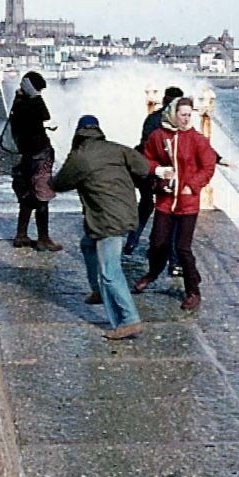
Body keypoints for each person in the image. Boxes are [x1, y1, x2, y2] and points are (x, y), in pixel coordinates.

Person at [52, 114, 171, 340]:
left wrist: (45, 181)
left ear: (78, 133)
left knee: (110, 271)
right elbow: (144, 167)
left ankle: (129, 320)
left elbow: (60, 183)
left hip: (107, 219)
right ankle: (97, 291)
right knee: (88, 244)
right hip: (125, 211)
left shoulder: (80, 156)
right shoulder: (117, 149)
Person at [134, 97, 217, 311]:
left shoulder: (197, 139)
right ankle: (152, 273)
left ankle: (192, 291)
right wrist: (158, 171)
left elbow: (207, 166)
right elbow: (147, 158)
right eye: (183, 114)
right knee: (158, 243)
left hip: (188, 201)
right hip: (165, 198)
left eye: (190, 115)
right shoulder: (158, 136)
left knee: (182, 248)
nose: (186, 119)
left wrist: (194, 185)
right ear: (173, 114)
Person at [123, 84, 184, 274]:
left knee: (147, 204)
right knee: (171, 212)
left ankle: (131, 243)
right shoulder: (174, 122)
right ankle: (173, 260)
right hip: (159, 171)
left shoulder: (152, 118)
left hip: (145, 168)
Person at [8, 71, 63, 252]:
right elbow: (45, 116)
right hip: (40, 154)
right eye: (38, 89)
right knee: (42, 196)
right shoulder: (34, 102)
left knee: (27, 194)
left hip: (26, 155)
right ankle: (43, 239)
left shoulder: (18, 103)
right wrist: (36, 96)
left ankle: (21, 235)